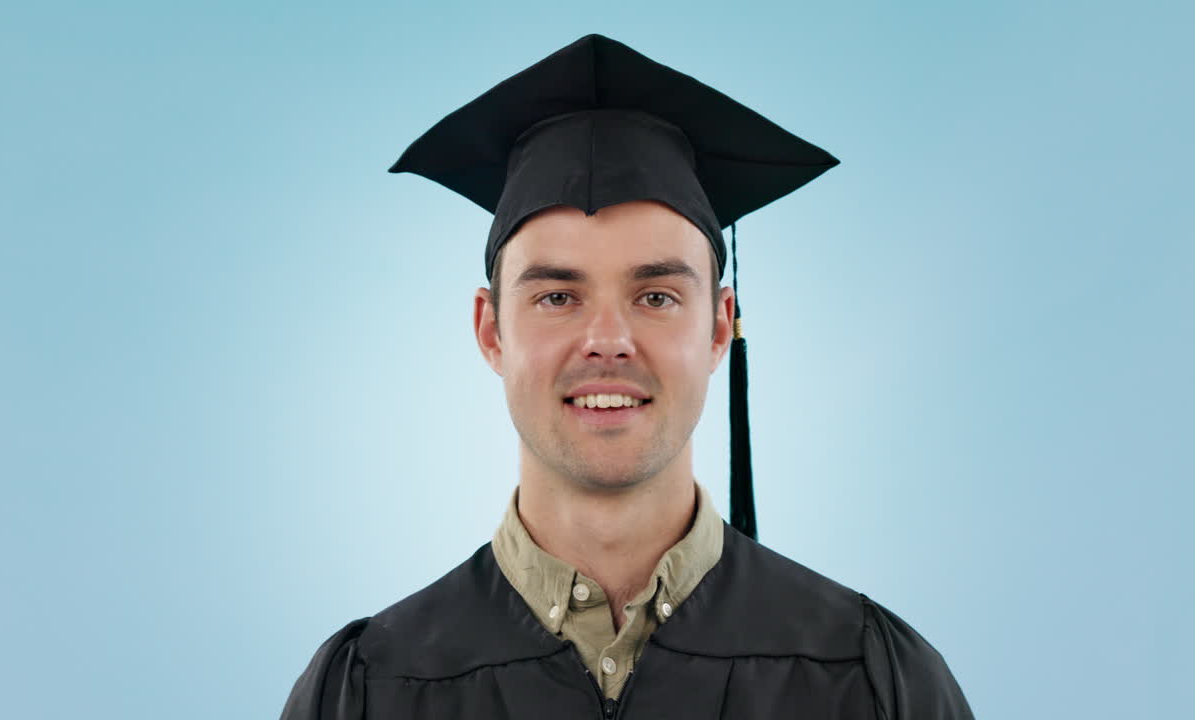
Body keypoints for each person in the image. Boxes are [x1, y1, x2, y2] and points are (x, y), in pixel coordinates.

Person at [280, 34, 974, 719]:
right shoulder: (370, 691)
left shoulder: (870, 681)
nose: (607, 341)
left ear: (717, 328)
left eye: (656, 297)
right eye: (557, 296)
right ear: (491, 331)